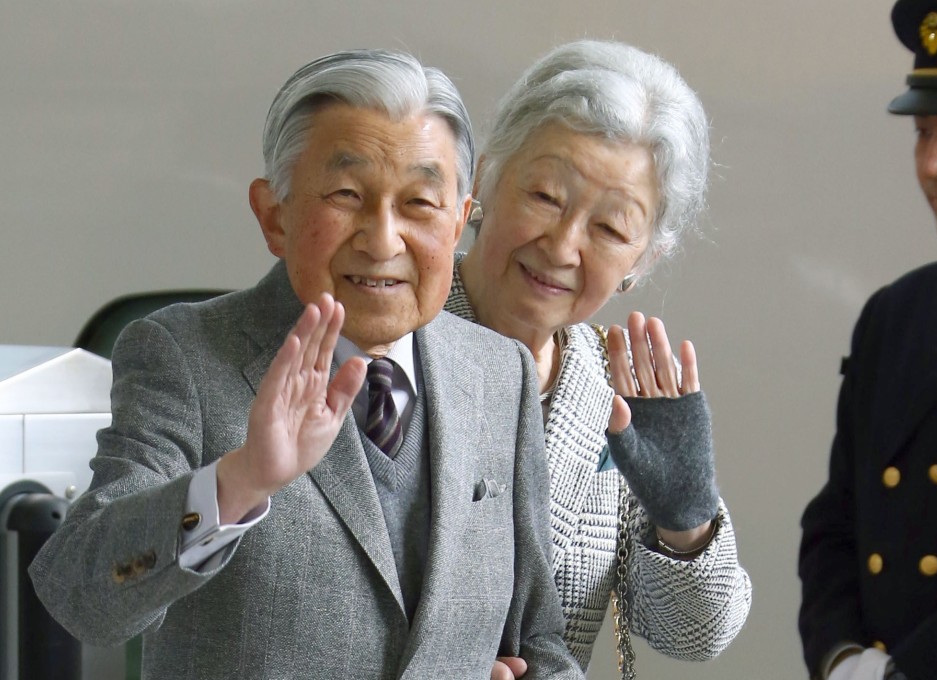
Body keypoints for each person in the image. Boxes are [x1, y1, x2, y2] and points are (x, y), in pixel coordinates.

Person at [29, 50, 583, 679]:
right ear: (275, 216)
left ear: (459, 222)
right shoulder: (181, 354)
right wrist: (239, 482)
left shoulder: (498, 373)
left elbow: (541, 640)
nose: (382, 240)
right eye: (347, 194)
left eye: (420, 203)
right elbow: (82, 594)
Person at [443, 40, 752, 677]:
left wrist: (685, 519)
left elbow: (694, 635)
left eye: (610, 230)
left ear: (643, 261)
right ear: (483, 178)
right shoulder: (387, 334)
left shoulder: (610, 393)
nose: (561, 246)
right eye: (546, 197)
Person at [798, 0, 937, 678]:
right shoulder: (896, 312)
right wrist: (840, 657)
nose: (932, 164)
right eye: (923, 134)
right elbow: (837, 517)